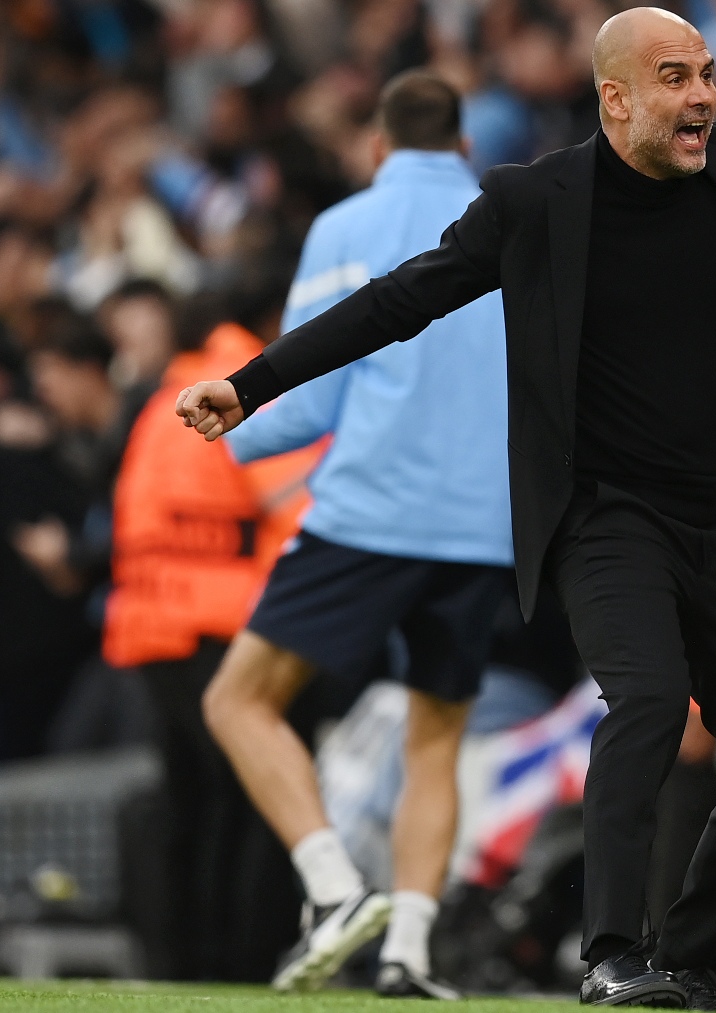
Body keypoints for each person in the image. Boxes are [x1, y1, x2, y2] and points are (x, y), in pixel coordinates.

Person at [174, 8, 716, 1009]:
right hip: (604, 516)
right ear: (615, 98)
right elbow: (402, 297)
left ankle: (686, 960)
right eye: (676, 77)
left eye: (709, 74)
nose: (703, 96)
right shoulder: (536, 199)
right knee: (644, 702)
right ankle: (610, 956)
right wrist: (251, 384)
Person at [199, 70, 514, 999]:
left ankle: (335, 890)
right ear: (463, 145)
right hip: (484, 526)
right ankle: (409, 951)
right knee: (434, 738)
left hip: (374, 510)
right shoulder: (515, 219)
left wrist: (231, 438)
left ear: (378, 147)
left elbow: (313, 394)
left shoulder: (346, 226)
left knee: (237, 700)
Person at [104, 311, 322, 982]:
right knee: (251, 802)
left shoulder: (164, 396)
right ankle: (242, 964)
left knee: (188, 802)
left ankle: (180, 963)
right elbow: (306, 514)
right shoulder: (253, 385)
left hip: (150, 627)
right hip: (227, 628)